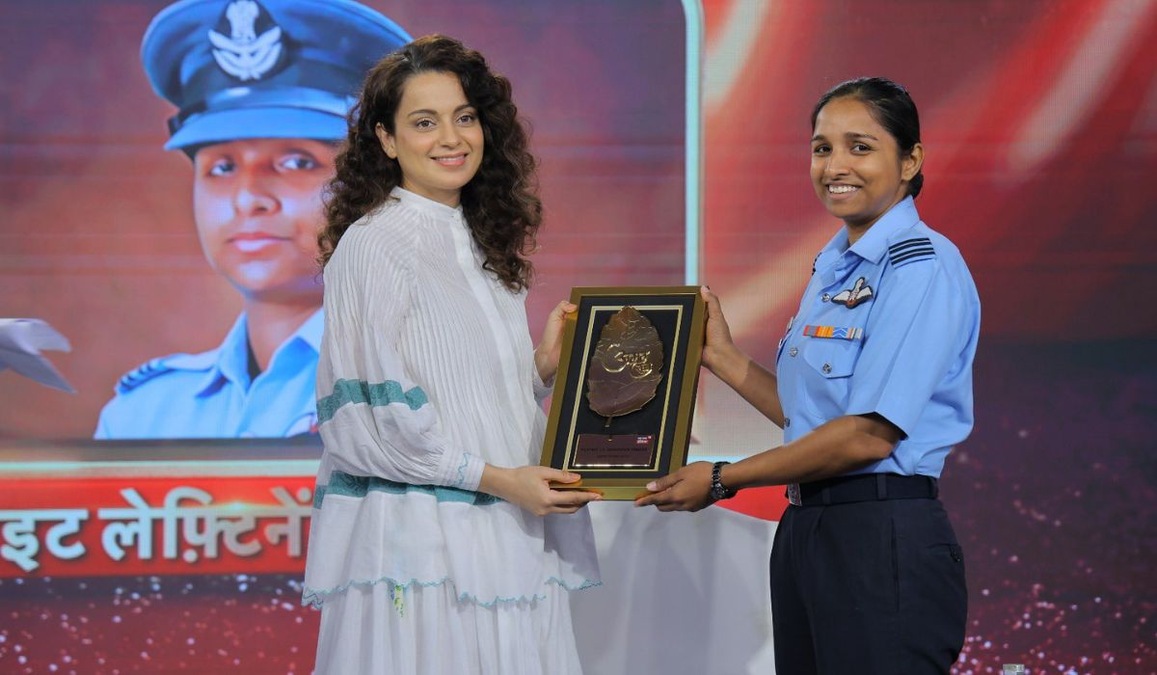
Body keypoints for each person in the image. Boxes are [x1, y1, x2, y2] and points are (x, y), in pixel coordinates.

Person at [637, 77, 980, 673]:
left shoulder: (919, 269)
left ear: (911, 160)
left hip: (881, 536)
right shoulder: (835, 266)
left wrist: (722, 477)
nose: (835, 165)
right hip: (809, 530)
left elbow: (866, 435)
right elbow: (813, 418)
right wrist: (722, 358)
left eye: (860, 146)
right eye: (822, 148)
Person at [301, 34, 602, 674]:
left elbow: (461, 395)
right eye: (424, 122)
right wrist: (501, 482)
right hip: (422, 550)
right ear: (385, 140)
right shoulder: (373, 244)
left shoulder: (481, 242)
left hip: (505, 534)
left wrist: (539, 370)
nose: (451, 138)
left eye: (464, 117)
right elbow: (366, 429)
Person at [95, 0, 410, 438]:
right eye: (222, 167)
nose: (247, 198)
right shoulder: (143, 416)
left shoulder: (427, 389)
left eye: (297, 162)